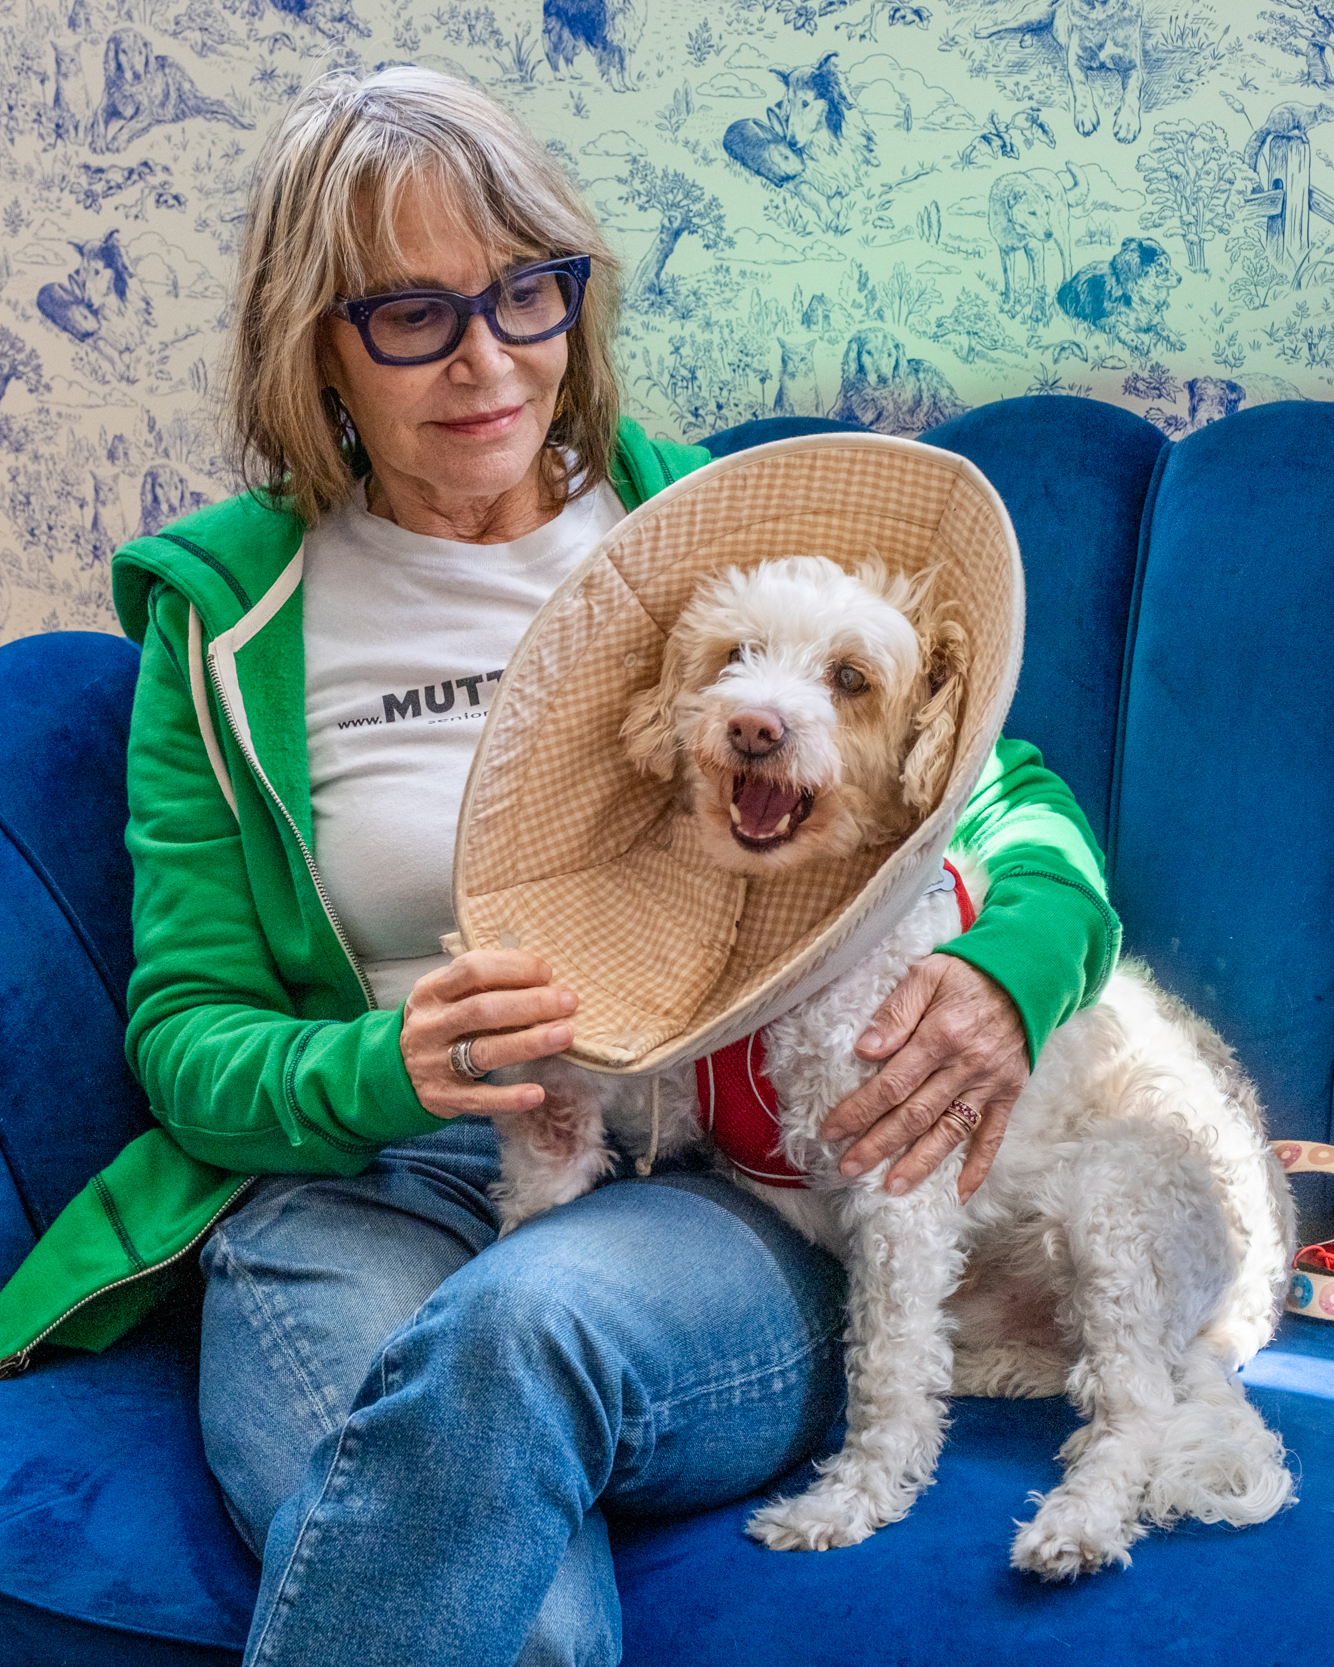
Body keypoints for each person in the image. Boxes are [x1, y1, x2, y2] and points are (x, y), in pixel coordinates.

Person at [0, 68, 1119, 1667]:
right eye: (410, 313)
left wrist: (1013, 968)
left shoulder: (689, 524)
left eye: (526, 292)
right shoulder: (229, 613)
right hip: (358, 1187)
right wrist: (397, 1064)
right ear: (311, 338)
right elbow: (187, 1036)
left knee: (519, 1339)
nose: (489, 358)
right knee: (513, 1616)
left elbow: (1003, 796)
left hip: (695, 1184)